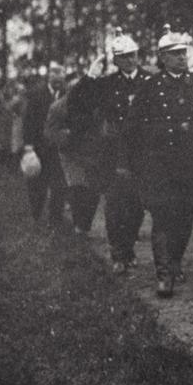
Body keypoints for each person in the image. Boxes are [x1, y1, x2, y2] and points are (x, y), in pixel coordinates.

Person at [123, 25, 193, 298]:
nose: (182, 57)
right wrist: (135, 162)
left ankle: (176, 261)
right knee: (162, 214)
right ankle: (164, 273)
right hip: (158, 163)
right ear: (163, 57)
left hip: (191, 162)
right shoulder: (149, 87)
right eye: (175, 53)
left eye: (184, 52)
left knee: (184, 215)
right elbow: (132, 127)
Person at [71, 28, 151, 274]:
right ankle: (118, 253)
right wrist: (89, 78)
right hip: (114, 153)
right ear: (116, 60)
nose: (130, 60)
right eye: (124, 56)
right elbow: (77, 103)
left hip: (141, 152)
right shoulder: (106, 84)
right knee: (115, 204)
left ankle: (128, 248)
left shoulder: (150, 81)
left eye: (133, 55)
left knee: (137, 205)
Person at [44, 72, 101, 237]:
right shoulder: (57, 107)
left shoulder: (94, 106)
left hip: (90, 153)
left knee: (94, 191)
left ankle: (85, 224)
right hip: (69, 154)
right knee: (77, 188)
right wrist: (66, 135)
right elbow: (49, 132)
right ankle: (79, 225)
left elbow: (100, 127)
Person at [22, 63, 69, 231]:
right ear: (49, 76)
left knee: (59, 184)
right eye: (54, 74)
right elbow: (28, 121)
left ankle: (55, 219)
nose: (57, 79)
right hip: (39, 147)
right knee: (38, 185)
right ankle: (36, 215)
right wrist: (28, 146)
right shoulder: (36, 94)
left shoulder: (67, 94)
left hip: (59, 148)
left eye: (60, 75)